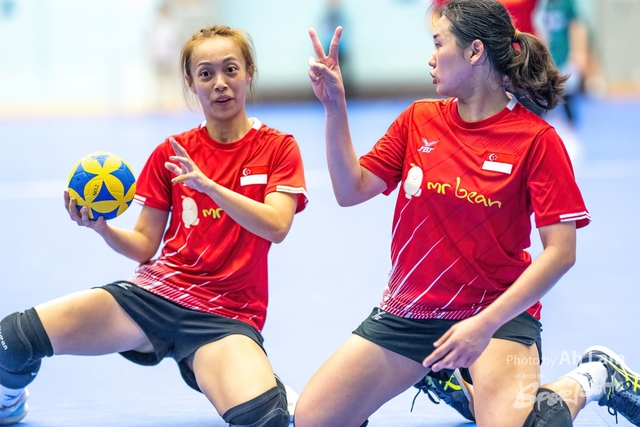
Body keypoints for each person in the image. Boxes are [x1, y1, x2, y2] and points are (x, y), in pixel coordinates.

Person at [296, 1, 640, 426]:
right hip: (411, 311)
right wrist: (335, 106)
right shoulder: (418, 120)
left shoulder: (536, 140)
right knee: (314, 419)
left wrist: (483, 324)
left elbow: (561, 252)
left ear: (475, 51)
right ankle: (454, 378)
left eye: (438, 44)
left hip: (497, 315)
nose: (430, 57)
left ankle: (594, 377)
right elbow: (351, 190)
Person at [0, 25, 308, 427]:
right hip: (154, 296)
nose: (219, 82)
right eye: (206, 73)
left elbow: (277, 225)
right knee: (12, 340)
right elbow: (146, 244)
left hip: (225, 316)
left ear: (249, 73)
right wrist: (103, 229)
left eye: (230, 69)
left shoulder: (277, 147)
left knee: (263, 418)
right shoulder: (172, 152)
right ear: (191, 83)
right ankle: (9, 403)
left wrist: (210, 187)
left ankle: (262, 382)